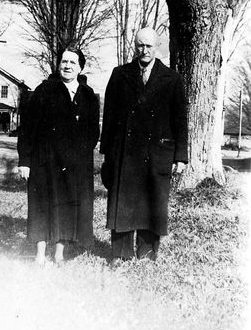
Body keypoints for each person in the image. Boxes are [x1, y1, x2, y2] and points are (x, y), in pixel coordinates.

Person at [100, 27, 188, 262]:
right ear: (135, 46)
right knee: (123, 202)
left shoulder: (172, 78)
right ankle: (121, 254)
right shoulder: (120, 75)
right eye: (140, 45)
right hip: (124, 153)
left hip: (157, 153)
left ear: (157, 47)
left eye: (149, 46)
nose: (144, 50)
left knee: (152, 203)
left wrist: (180, 156)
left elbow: (180, 121)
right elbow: (108, 116)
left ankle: (147, 253)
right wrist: (107, 153)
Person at [18, 47, 100, 265]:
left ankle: (59, 254)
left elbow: (93, 132)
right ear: (58, 65)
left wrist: (78, 154)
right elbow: (27, 128)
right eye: (64, 61)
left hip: (73, 164)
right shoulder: (44, 90)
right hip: (44, 161)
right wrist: (25, 161)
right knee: (41, 205)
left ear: (80, 67)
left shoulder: (88, 96)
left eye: (72, 62)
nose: (67, 66)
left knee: (65, 206)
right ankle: (39, 255)